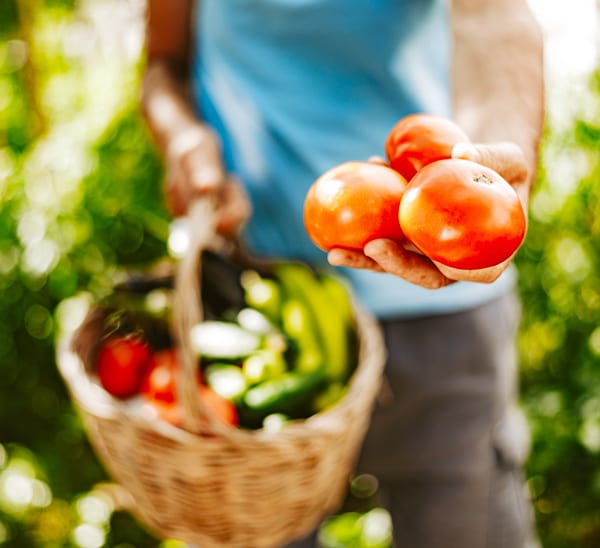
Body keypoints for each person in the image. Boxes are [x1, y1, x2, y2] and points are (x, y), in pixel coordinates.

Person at [141, 1, 544, 546]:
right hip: (261, 306)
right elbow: (164, 63)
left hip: (441, 324)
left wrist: (490, 184)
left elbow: (493, 18)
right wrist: (185, 141)